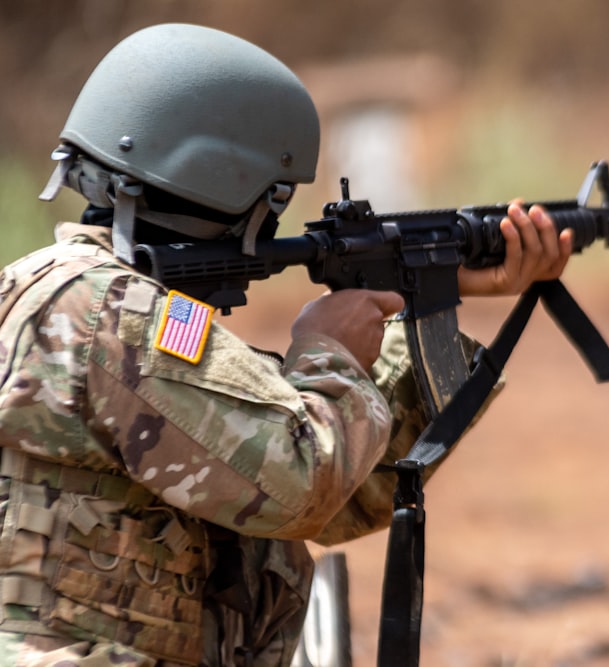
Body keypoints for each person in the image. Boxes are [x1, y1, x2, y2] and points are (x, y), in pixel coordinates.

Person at [0, 23, 573, 667]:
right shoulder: (117, 317)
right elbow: (300, 488)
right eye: (274, 202)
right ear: (232, 188)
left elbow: (346, 497)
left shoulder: (70, 298)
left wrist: (429, 295)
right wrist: (325, 352)